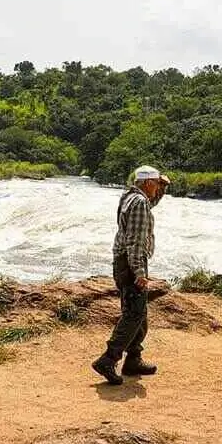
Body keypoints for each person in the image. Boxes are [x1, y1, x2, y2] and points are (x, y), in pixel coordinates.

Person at [92, 164, 170, 386]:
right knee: (134, 314)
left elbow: (150, 203)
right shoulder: (139, 203)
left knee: (139, 313)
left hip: (123, 262)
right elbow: (135, 240)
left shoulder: (131, 197)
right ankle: (108, 359)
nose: (156, 189)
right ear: (147, 183)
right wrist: (140, 272)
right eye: (156, 184)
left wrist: (163, 186)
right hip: (130, 262)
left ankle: (133, 360)